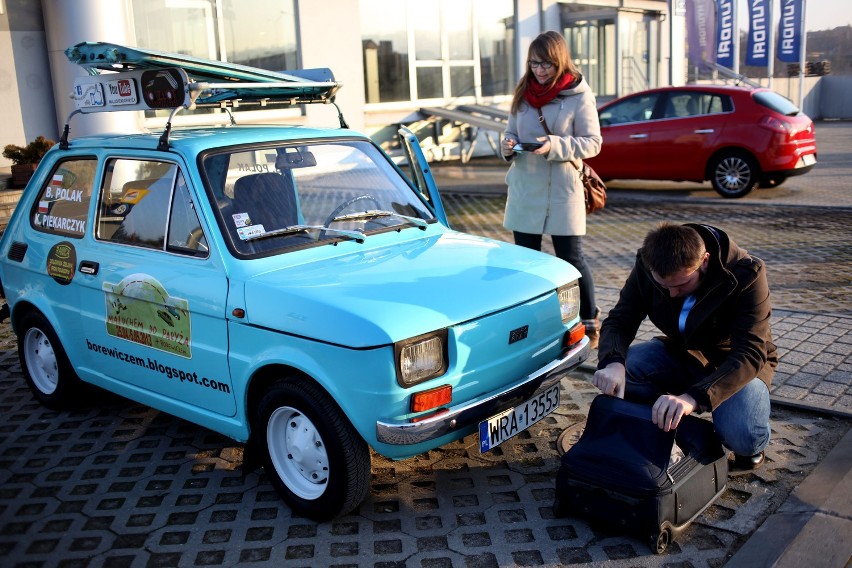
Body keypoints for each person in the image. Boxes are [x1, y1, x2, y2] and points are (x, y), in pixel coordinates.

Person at [592, 222, 776, 471]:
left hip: (734, 365)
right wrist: (612, 361)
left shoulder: (747, 274)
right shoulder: (648, 264)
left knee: (742, 437)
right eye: (665, 286)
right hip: (684, 353)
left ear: (705, 261)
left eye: (682, 285)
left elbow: (750, 353)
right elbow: (620, 319)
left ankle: (745, 438)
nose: (672, 293)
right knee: (630, 366)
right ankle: (668, 425)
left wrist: (694, 398)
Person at [501, 31, 603, 347]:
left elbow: (594, 143)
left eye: (546, 64)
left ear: (559, 61)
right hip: (525, 188)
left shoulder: (579, 95)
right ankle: (535, 323)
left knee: (571, 258)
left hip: (562, 190)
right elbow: (509, 132)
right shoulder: (522, 93)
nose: (540, 70)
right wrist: (506, 146)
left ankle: (590, 322)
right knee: (526, 261)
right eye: (534, 64)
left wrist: (555, 145)